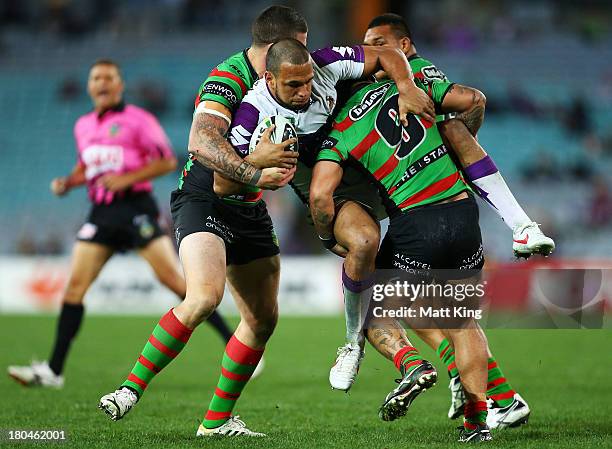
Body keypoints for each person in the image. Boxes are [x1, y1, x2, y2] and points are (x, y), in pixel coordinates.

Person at [211, 36, 437, 396]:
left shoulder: (326, 62)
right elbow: (221, 183)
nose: (305, 91)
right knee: (364, 243)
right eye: (293, 85)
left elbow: (388, 55)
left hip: (381, 162)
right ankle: (352, 344)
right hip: (338, 192)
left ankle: (475, 388)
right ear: (269, 80)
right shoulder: (253, 112)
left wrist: (406, 85)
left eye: (308, 81)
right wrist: (256, 163)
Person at [7, 59, 235, 389]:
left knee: (178, 284)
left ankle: (233, 342)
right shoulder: (82, 125)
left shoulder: (138, 120)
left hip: (136, 209)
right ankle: (54, 370)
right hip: (101, 212)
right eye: (95, 78)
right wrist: (68, 182)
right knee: (74, 288)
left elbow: (167, 161)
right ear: (89, 87)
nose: (101, 83)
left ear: (119, 85)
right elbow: (88, 167)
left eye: (107, 78)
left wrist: (127, 178)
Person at [360, 13, 531, 429]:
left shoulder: (415, 76)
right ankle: (497, 403)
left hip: (420, 217)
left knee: (375, 303)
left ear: (404, 44)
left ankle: (467, 383)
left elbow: (472, 99)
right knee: (447, 313)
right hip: (458, 212)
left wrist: (457, 142)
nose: (372, 52)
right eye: (367, 44)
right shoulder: (399, 82)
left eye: (379, 42)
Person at [311, 78, 494, 442]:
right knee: (463, 322)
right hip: (463, 214)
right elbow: (473, 102)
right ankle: (478, 423)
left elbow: (319, 195)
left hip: (415, 223)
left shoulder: (341, 129)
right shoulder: (410, 91)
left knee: (370, 307)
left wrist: (326, 235)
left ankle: (412, 364)